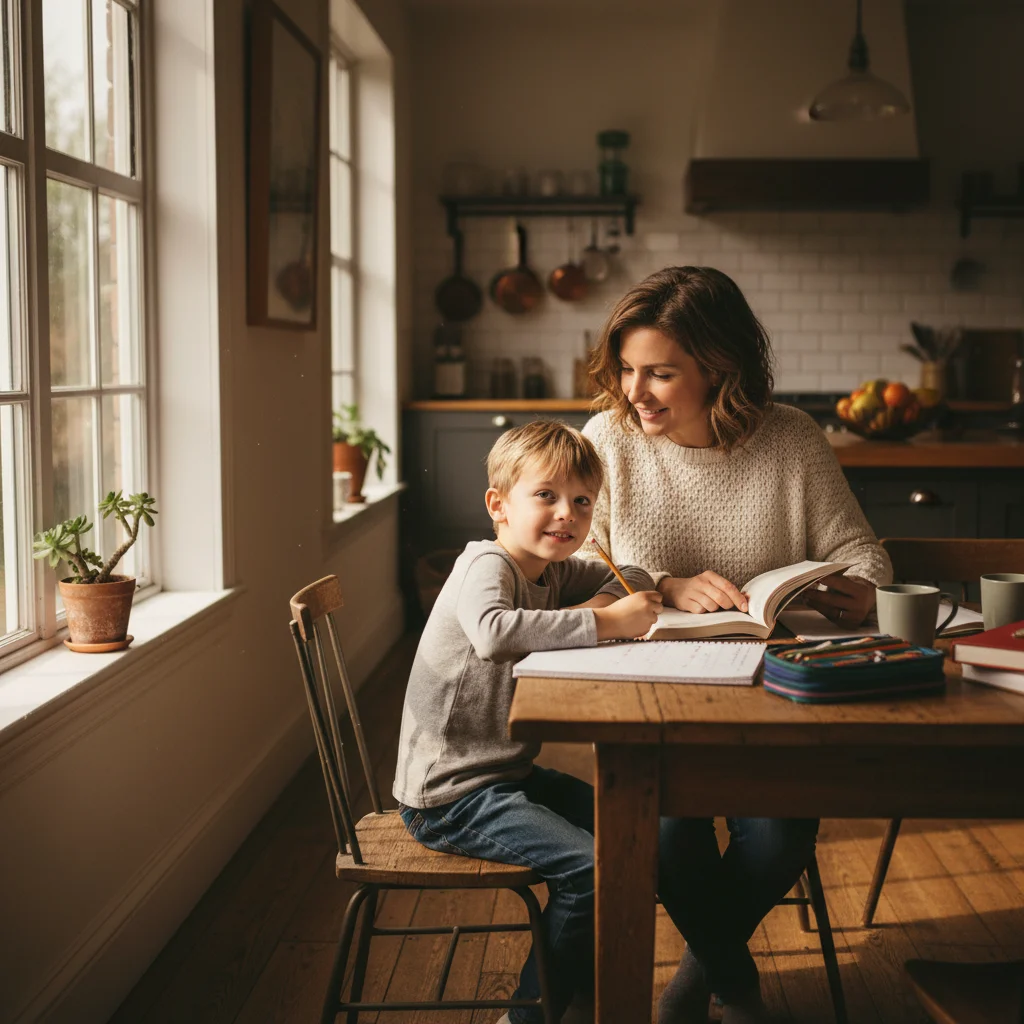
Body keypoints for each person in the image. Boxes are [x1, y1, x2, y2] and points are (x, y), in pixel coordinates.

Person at [581, 266, 892, 1024]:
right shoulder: (607, 440)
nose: (634, 392)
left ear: (719, 369)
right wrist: (664, 582)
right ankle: (735, 985)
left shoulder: (791, 438)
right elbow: (574, 565)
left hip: (774, 693)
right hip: (652, 695)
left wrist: (856, 587)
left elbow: (864, 553)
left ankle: (698, 981)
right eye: (626, 368)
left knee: (781, 840)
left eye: (660, 373)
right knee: (665, 839)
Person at [393, 419, 662, 1024]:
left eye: (582, 501)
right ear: (499, 505)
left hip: (506, 776)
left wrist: (617, 598)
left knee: (631, 829)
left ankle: (586, 987)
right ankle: (527, 1016)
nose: (567, 514)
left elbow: (633, 574)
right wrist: (607, 621)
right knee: (590, 866)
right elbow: (493, 633)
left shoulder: (550, 568)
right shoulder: (486, 564)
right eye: (546, 495)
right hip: (450, 796)